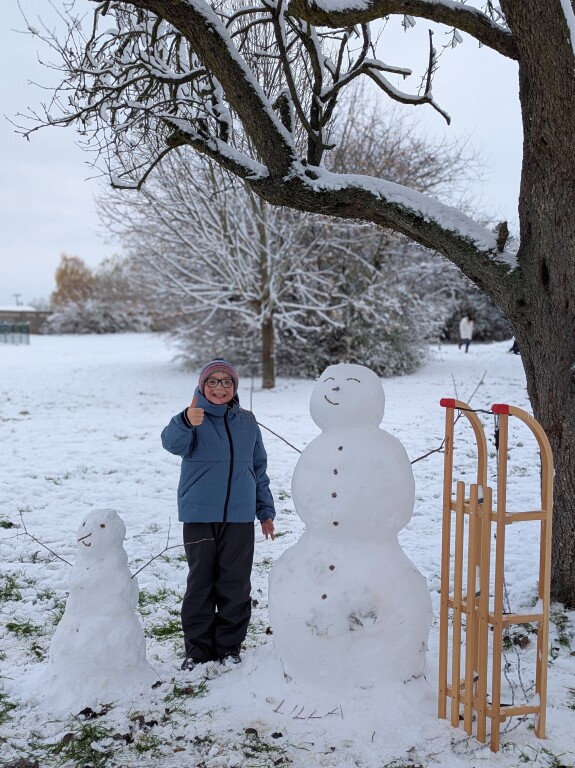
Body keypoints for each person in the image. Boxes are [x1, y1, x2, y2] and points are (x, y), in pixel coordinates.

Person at [161, 359, 276, 670]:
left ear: (234, 387)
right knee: (201, 582)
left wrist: (265, 511)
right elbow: (171, 444)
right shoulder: (193, 418)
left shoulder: (247, 422)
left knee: (235, 582)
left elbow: (258, 468)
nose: (220, 388)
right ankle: (198, 650)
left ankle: (228, 647)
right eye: (213, 381)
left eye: (227, 382)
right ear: (202, 386)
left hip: (239, 516)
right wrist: (185, 420)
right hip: (199, 514)